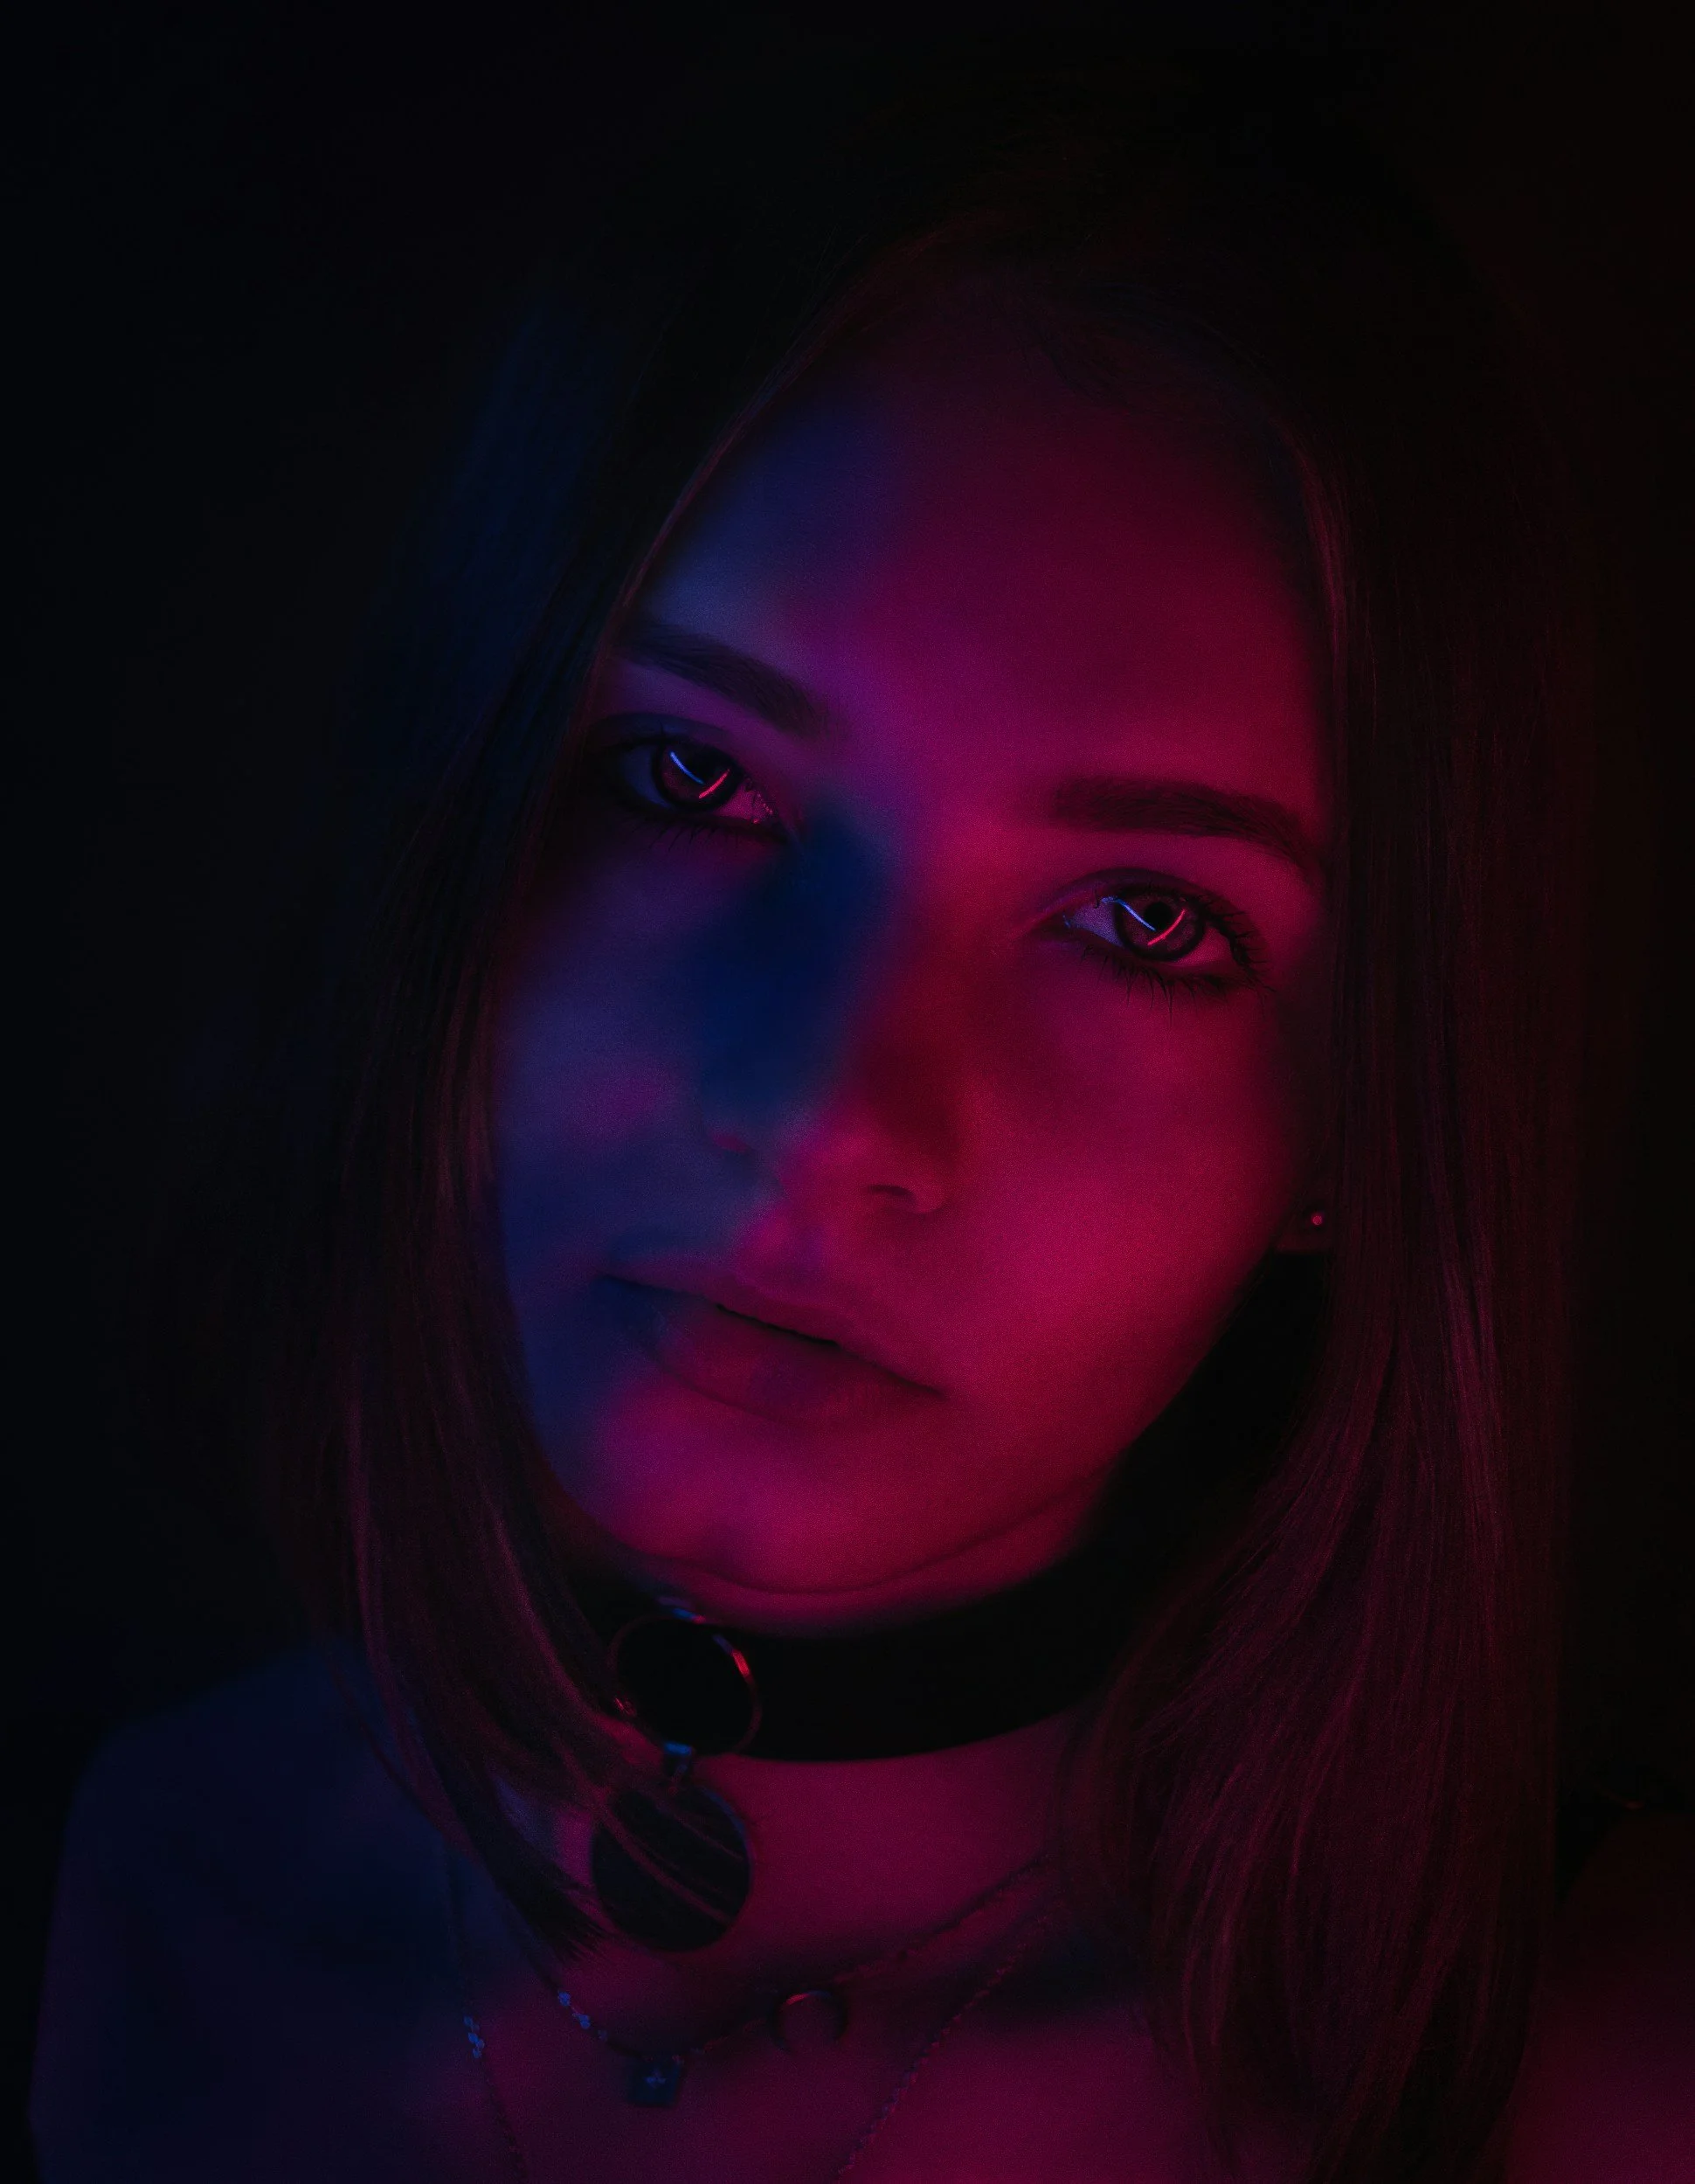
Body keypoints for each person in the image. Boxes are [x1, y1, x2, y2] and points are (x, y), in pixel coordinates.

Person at [29, 48, 1693, 2184]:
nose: (821, 1114)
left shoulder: (1599, 2075)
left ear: (1365, 1126)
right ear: (458, 820)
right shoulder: (109, 1927)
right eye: (694, 781)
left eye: (1143, 920)